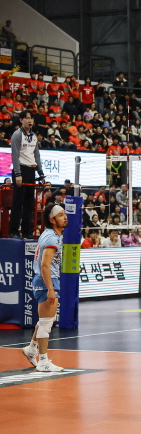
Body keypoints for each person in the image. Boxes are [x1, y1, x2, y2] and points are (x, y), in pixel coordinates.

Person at [22, 203, 67, 372]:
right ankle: (43, 362)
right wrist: (50, 289)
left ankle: (31, 349)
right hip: (47, 281)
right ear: (52, 219)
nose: (65, 217)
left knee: (45, 320)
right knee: (46, 323)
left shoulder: (50, 234)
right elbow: (45, 265)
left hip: (45, 280)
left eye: (64, 214)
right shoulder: (51, 238)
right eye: (61, 215)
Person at [10, 111, 46, 239]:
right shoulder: (17, 135)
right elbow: (15, 155)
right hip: (21, 169)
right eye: (27, 118)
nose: (30, 121)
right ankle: (14, 231)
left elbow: (36, 156)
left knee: (29, 204)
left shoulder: (34, 136)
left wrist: (41, 174)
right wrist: (18, 174)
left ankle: (26, 231)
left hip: (31, 170)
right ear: (21, 120)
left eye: (31, 118)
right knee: (18, 203)